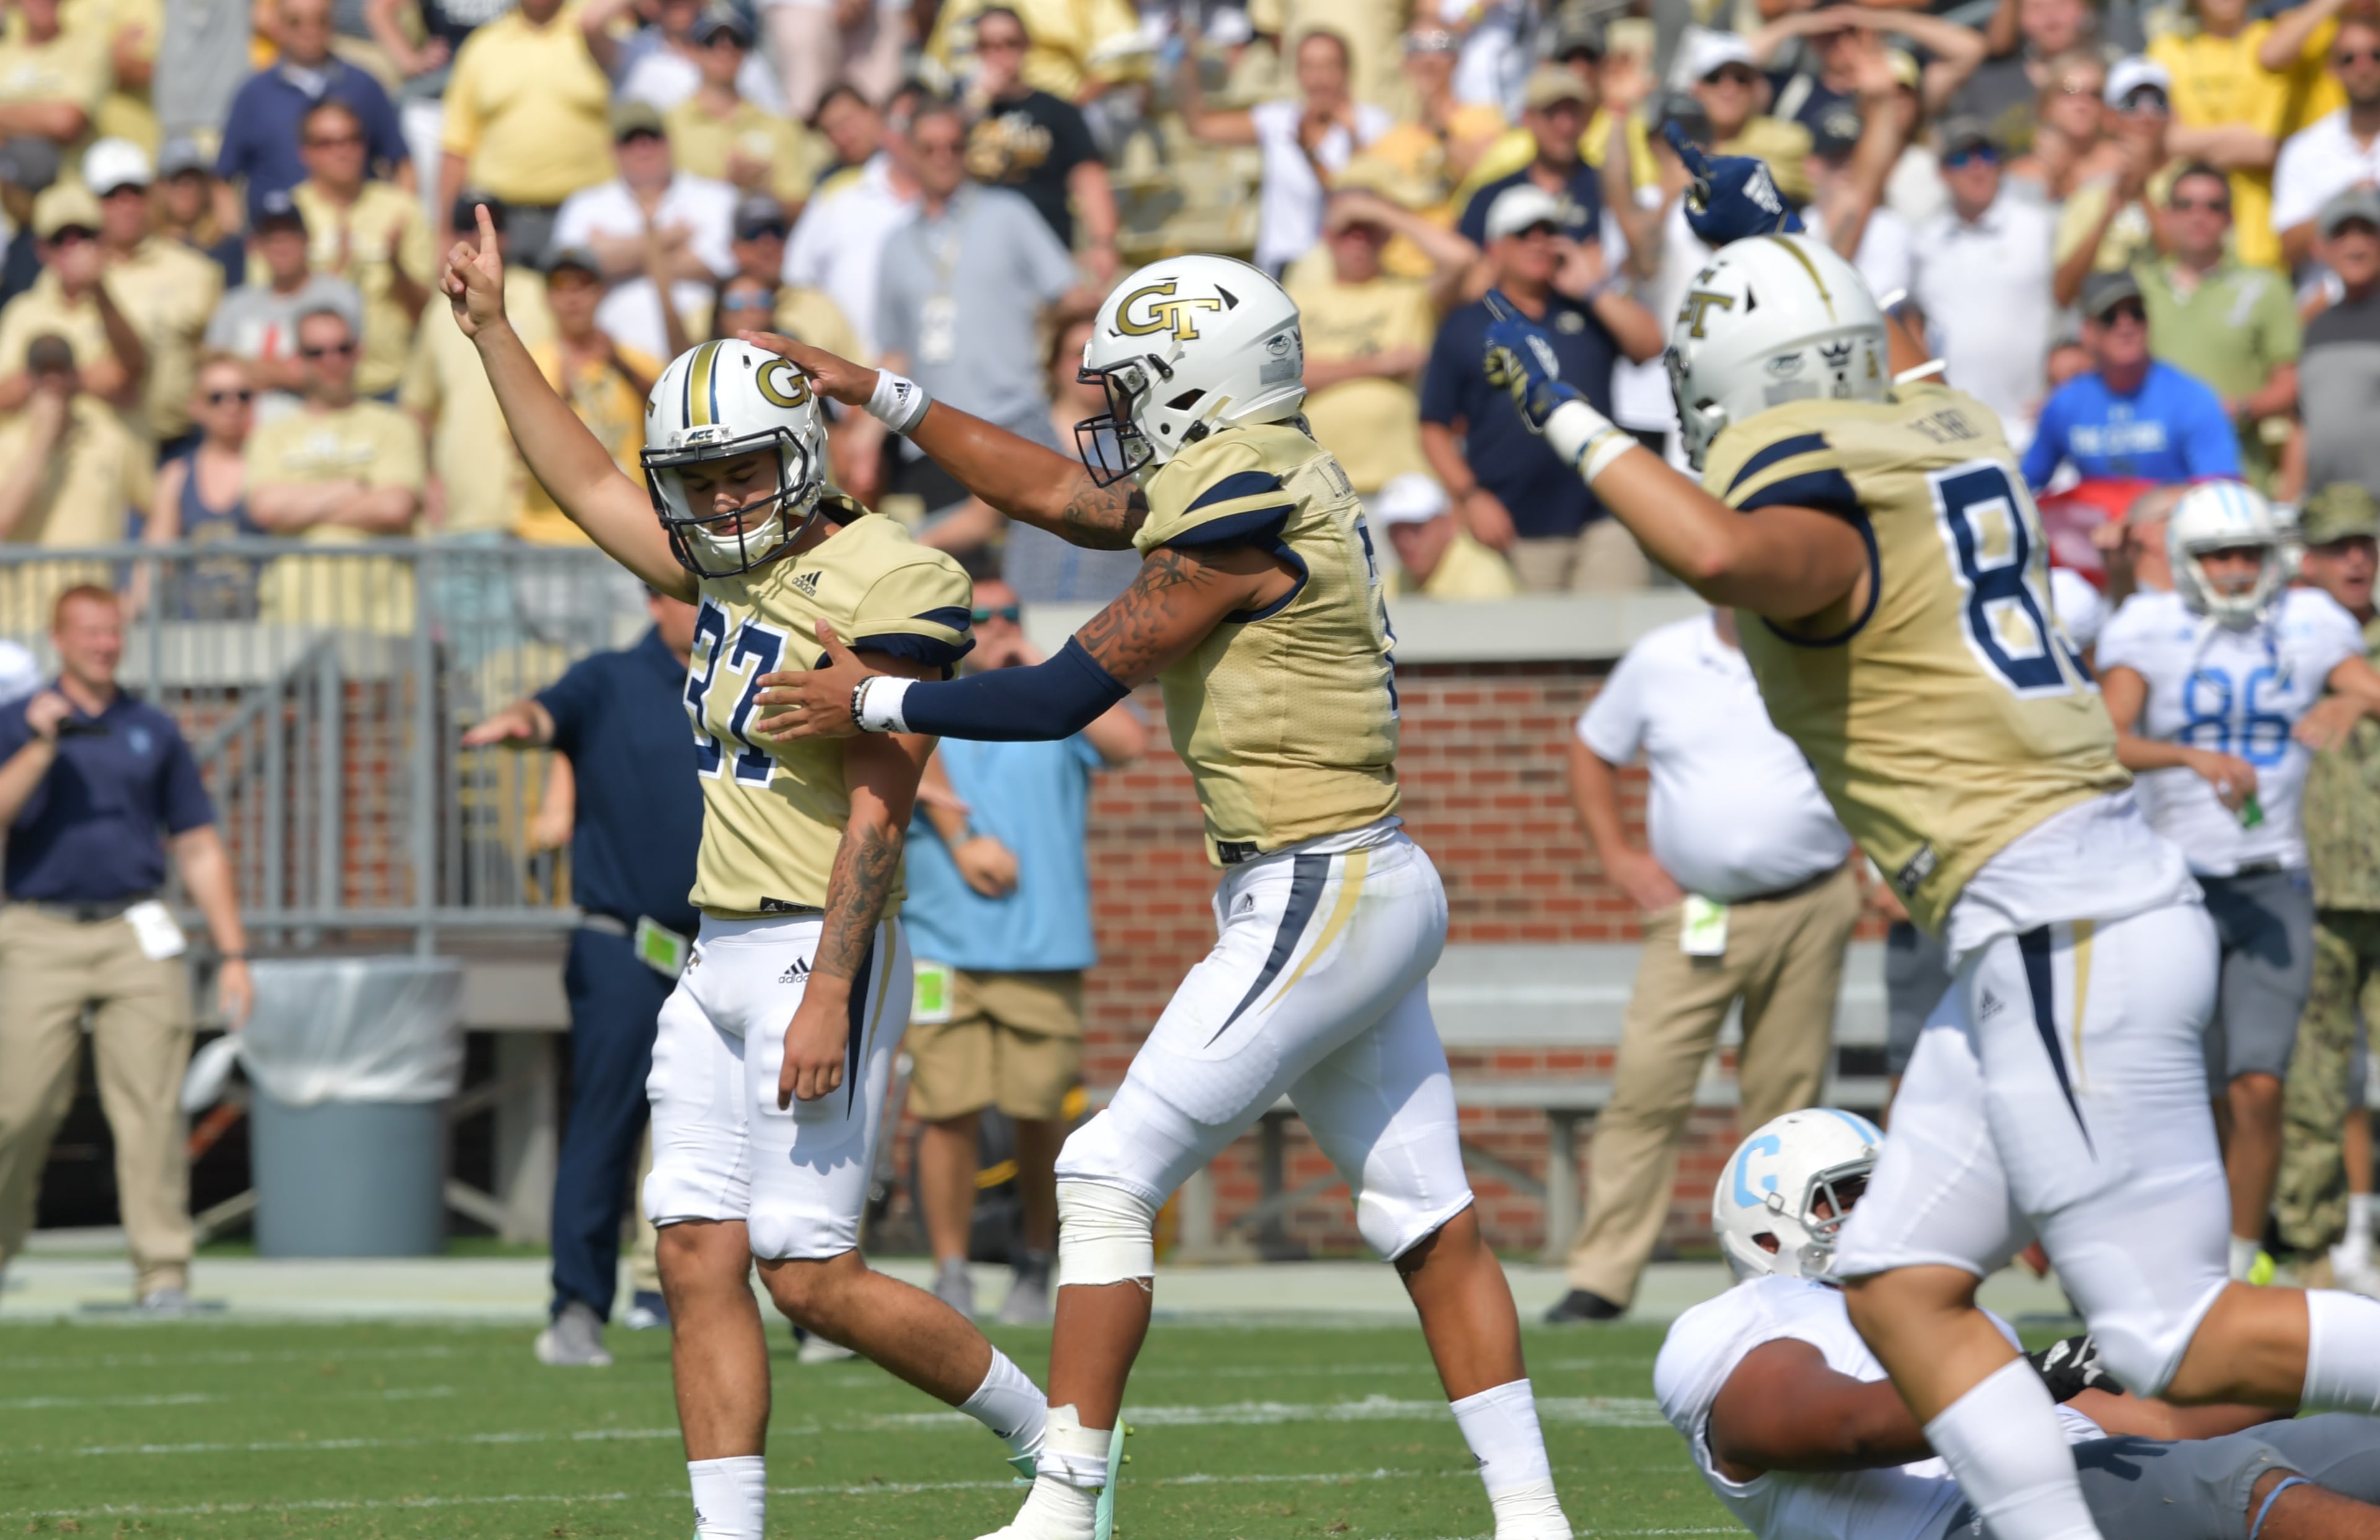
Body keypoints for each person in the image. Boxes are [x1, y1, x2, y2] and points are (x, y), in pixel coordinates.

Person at [1478, 190, 2380, 1540]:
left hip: (2055, 912)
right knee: (1903, 1285)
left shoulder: (1823, 528)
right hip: (2062, 902)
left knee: (2167, 1332)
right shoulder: (1946, 413)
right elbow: (1874, 341)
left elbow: (1722, 550)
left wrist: (1566, 415)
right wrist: (1783, 230)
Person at [747, 252, 1582, 1540]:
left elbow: (1055, 697)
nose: (1117, 410)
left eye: (1134, 384)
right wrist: (885, 397)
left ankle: (1066, 1507)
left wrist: (868, 696)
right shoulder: (1254, 470)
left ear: (1201, 380)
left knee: (1103, 1170)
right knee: (1430, 1220)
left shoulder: (1240, 512)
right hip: (1355, 878)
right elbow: (1057, 494)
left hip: (1321, 880)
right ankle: (1536, 1523)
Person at [444, 203, 1052, 1540]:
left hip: (809, 946)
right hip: (712, 950)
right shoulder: (729, 576)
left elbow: (882, 810)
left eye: (740, 472)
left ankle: (1057, 1444)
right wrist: (494, 334)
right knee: (693, 1250)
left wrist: (832, 987)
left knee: (813, 1275)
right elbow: (589, 481)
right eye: (699, 477)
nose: (719, 501)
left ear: (801, 454)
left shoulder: (896, 573)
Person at [1659, 1110, 2380, 1540]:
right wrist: (2028, 1376)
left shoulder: (1937, 1317)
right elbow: (1849, 1425)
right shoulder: (1740, 1323)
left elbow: (2154, 1425)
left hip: (2081, 1475)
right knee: (2230, 1483)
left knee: (2362, 1439)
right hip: (1968, 1519)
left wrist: (2269, 1357)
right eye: (1847, 1195)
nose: (1878, 1209)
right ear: (1767, 1232)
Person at [2096, 482, 2380, 1283]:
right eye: (2218, 555)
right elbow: (2104, 740)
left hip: (2273, 881)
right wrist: (2191, 757)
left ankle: (2238, 1264)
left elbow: (2369, 685)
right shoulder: (2149, 626)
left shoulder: (2308, 622)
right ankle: (2165, 1256)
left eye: (2247, 553)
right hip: (2173, 885)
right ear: (2186, 562)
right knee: (2179, 1087)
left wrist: (2352, 708)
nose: (2232, 570)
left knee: (2260, 1085)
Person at [1545, 605, 1859, 1325]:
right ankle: (1602, 1278)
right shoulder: (1663, 658)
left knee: (1789, 1105)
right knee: (1647, 1086)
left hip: (1813, 901)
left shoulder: (1823, 647)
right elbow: (1592, 749)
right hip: (1695, 914)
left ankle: (1783, 1282)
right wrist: (1620, 858)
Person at [462, 589, 707, 1365]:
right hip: (625, 947)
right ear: (648, 598)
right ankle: (576, 1306)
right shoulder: (609, 677)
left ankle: (812, 1315)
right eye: (682, 594)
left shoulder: (747, 673)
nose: (700, 609)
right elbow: (547, 712)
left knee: (753, 1136)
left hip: (732, 947)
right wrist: (520, 725)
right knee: (605, 1128)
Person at [0, 586, 252, 1314]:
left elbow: (198, 844)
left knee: (150, 1108)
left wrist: (234, 952)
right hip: (38, 930)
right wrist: (43, 743)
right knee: (20, 1107)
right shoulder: (18, 722)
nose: (104, 645)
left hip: (135, 931)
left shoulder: (152, 728)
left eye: (113, 632)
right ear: (58, 638)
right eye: (89, 632)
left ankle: (163, 1272)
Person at [903, 576, 1145, 1324]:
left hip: (1044, 950)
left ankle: (1037, 1261)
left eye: (1010, 615)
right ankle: (952, 1271)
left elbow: (1129, 744)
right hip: (943, 948)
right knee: (946, 1112)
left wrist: (1038, 660)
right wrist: (963, 842)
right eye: (981, 619)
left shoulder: (1054, 711)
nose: (996, 627)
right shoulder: (929, 705)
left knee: (1040, 1114)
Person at [875, 99, 1124, 605]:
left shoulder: (1008, 213)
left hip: (1014, 420)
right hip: (932, 439)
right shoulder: (896, 243)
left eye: (954, 145)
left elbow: (1066, 295)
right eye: (930, 147)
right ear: (909, 154)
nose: (944, 156)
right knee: (943, 603)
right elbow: (896, 352)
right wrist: (863, 433)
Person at [1419, 183, 1664, 594]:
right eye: (1523, 233)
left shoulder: (1587, 308)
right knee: (1533, 653)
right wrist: (1470, 496)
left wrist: (1592, 287)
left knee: (1609, 644)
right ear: (1496, 248)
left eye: (1548, 231)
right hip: (1515, 528)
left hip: (1602, 517)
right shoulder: (1464, 325)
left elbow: (1650, 344)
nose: (1538, 242)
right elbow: (1434, 427)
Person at [2283, 483, 2380, 1295]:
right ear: (2308, 558)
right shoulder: (2274, 639)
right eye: (2339, 546)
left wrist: (2358, 689)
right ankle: (2310, 1246)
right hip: (2311, 888)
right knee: (2312, 1082)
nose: (2357, 559)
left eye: (2367, 544)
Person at [1289, 188, 1479, 504]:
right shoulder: (1298, 300)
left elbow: (1461, 259)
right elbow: (1287, 379)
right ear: (1327, 236)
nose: (1359, 240)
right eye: (1348, 231)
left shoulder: (1408, 295)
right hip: (1319, 483)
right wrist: (1377, 365)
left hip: (1400, 481)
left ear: (1386, 238)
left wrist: (1380, 212)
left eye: (1370, 232)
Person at [1174, 28, 1392, 278]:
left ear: (1346, 70)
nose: (1320, 79)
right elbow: (1202, 127)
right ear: (1298, 73)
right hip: (1283, 264)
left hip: (1340, 269)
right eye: (1309, 67)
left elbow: (1354, 199)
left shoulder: (1372, 123)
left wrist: (1329, 145)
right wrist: (1185, 61)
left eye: (1329, 66)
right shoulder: (1279, 118)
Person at [402, 193, 553, 543]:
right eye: (467, 226)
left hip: (535, 513)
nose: (481, 235)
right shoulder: (438, 312)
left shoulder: (540, 294)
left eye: (494, 225)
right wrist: (423, 478)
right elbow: (417, 408)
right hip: (458, 513)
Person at [2140, 165, 2301, 492]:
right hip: (2149, 477)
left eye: (2213, 206)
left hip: (2234, 475)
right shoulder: (2136, 290)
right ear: (2167, 216)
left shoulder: (2265, 287)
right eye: (2186, 205)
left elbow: (2291, 383)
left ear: (2231, 218)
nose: (2199, 216)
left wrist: (2238, 409)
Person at [1907, 121, 2058, 448]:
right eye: (1961, 159)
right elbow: (1912, 326)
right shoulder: (1924, 242)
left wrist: (2065, 393)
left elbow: (2072, 312)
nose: (1976, 168)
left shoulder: (2038, 227)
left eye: (1986, 155)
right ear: (1942, 174)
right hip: (1957, 433)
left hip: (2034, 425)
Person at [552, 100, 735, 364]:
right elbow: (573, 275)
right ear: (613, 150)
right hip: (614, 360)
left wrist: (612, 253)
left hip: (702, 355)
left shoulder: (717, 197)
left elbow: (715, 265)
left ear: (670, 142)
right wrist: (670, 237)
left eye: (652, 137)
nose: (643, 148)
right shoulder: (583, 204)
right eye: (630, 140)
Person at [2023, 270, 2244, 489]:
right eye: (2109, 316)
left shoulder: (2193, 398)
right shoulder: (2064, 404)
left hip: (2170, 521)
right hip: (2095, 523)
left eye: (2136, 313)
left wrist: (2145, 517)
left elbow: (2222, 491)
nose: (2126, 325)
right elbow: (2026, 486)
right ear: (2088, 332)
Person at [437, 0, 615, 266]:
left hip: (589, 218)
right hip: (501, 221)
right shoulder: (482, 46)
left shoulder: (598, 35)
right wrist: (444, 231)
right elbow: (457, 146)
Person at [288, 97, 434, 406]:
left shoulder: (403, 209)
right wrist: (334, 273)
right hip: (312, 389)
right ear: (306, 152)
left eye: (352, 139)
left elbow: (426, 314)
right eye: (327, 143)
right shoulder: (288, 214)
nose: (343, 151)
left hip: (392, 382)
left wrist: (396, 268)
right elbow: (274, 307)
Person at [513, 245, 661, 546]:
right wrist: (560, 397)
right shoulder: (528, 366)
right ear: (547, 297)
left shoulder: (634, 360)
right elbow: (518, 451)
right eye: (560, 287)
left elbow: (671, 418)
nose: (572, 297)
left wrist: (622, 368)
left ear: (601, 292)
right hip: (550, 537)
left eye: (583, 285)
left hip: (628, 533)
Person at [82, 138, 219, 455]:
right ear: (93, 202)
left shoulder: (196, 270)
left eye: (136, 193)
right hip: (100, 446)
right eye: (112, 196)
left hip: (180, 442)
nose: (127, 205)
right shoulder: (69, 277)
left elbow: (215, 356)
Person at [963, 6, 1117, 282]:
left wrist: (1103, 243)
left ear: (1027, 46)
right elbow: (936, 159)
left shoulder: (1058, 110)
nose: (999, 54)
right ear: (976, 50)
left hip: (1049, 251)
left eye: (1010, 43)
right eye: (988, 45)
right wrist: (974, 103)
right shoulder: (958, 112)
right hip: (978, 254)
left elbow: (1089, 178)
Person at [216, 0, 409, 218]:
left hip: (358, 240)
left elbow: (402, 164)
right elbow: (224, 179)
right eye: (296, 22)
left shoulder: (364, 86)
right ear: (278, 25)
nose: (310, 31)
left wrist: (399, 224)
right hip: (277, 239)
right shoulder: (253, 94)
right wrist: (237, 242)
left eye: (321, 20)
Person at [781, 85, 916, 366]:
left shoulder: (929, 174)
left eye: (847, 122)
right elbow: (798, 275)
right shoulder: (831, 191)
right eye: (830, 131)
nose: (842, 136)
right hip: (855, 368)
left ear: (875, 113)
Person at [202, 193, 366, 423]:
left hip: (322, 428)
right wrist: (288, 370)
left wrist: (252, 368)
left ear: (307, 239)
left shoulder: (339, 296)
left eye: (290, 235)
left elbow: (340, 371)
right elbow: (214, 375)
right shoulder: (234, 305)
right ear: (255, 246)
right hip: (247, 437)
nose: (281, 246)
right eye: (271, 237)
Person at [0, 182, 145, 420]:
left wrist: (98, 289)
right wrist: (78, 380)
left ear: (102, 238)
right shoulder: (22, 309)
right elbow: (4, 394)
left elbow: (131, 370)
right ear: (41, 249)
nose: (73, 246)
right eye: (60, 238)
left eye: (83, 235)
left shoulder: (133, 291)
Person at [663, 8, 821, 223]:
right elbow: (661, 205)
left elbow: (802, 208)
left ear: (746, 52)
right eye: (711, 41)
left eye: (736, 40)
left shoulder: (780, 125)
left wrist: (762, 195)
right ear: (693, 51)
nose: (724, 47)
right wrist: (727, 186)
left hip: (764, 246)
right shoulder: (669, 124)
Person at [2272, 15, 2380, 274]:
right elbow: (2288, 249)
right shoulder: (2303, 149)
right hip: (2324, 303)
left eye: (2376, 55)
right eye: (2349, 58)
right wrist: (2348, 204)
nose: (2363, 68)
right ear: (2332, 69)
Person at [1457, 66, 1603, 251]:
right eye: (1552, 114)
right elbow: (1469, 262)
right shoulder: (1493, 196)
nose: (1565, 126)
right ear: (1527, 118)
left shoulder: (1607, 193)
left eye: (1573, 114)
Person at [2301, 189, 2380, 499]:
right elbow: (2302, 426)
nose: (2356, 246)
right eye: (2342, 234)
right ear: (2321, 249)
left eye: (2368, 233)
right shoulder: (2315, 326)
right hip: (2328, 509)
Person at [1370, 473, 1515, 601]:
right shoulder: (1395, 580)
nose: (1406, 541)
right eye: (1395, 530)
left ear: (1449, 524)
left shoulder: (1484, 579)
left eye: (1417, 527)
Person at [0, 0, 106, 152]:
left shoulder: (87, 47)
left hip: (66, 173)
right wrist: (43, 116)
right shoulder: (3, 53)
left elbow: (66, 122)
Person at [152, 136, 245, 294]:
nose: (187, 188)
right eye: (176, 180)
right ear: (161, 187)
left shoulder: (227, 248)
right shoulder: (148, 248)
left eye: (194, 178)